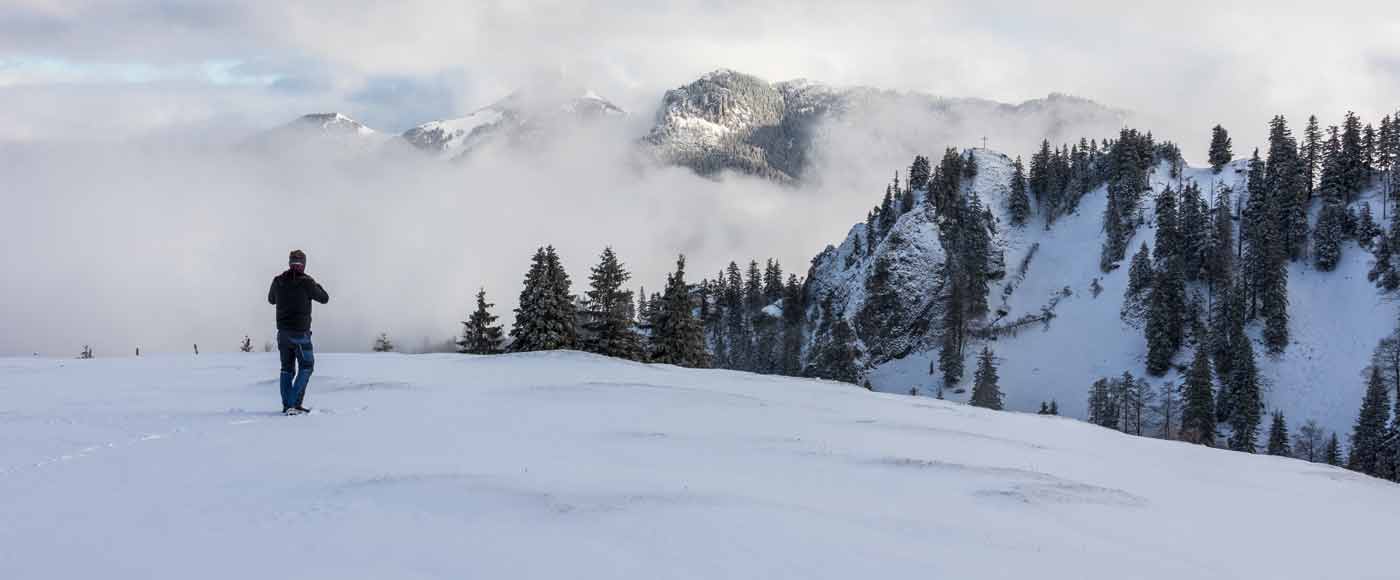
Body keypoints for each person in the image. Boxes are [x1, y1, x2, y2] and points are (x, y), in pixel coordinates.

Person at [268, 250, 329, 415]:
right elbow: (324, 298)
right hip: (300, 334)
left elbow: (271, 299)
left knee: (286, 369)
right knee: (307, 366)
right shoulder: (307, 282)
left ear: (290, 262)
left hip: (283, 334)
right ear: (304, 263)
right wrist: (316, 285)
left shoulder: (278, 280)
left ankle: (288, 405)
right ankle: (293, 404)